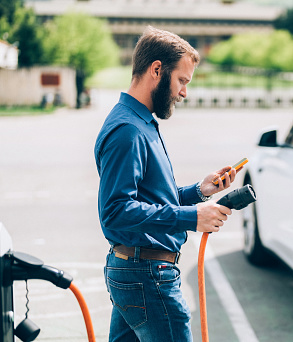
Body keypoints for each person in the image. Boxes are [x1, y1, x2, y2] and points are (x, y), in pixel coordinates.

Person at [94, 26, 237, 342]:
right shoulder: (127, 131)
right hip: (147, 276)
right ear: (156, 70)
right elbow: (116, 210)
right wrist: (193, 217)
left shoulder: (141, 122)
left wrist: (199, 192)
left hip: (137, 271)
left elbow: (149, 198)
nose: (184, 91)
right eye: (182, 80)